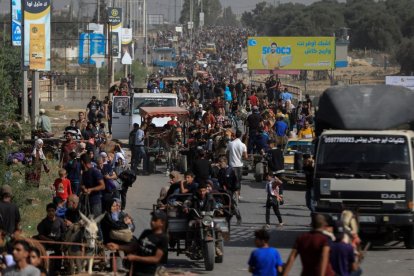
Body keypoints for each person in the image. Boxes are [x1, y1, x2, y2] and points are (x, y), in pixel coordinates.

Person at [106, 211, 168, 276]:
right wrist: (118, 247)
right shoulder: (146, 233)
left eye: (155, 220)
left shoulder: (163, 238)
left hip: (146, 273)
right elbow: (135, 247)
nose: (152, 222)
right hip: (134, 270)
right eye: (152, 219)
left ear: (162, 223)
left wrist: (135, 258)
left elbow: (155, 259)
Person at [217, 156, 242, 225]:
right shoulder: (220, 170)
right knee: (225, 205)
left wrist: (235, 189)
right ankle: (227, 219)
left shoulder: (231, 170)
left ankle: (238, 218)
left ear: (225, 162)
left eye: (221, 162)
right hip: (223, 191)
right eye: (219, 162)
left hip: (231, 190)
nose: (219, 164)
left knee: (233, 205)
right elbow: (219, 180)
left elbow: (236, 180)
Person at [226, 130, 248, 202]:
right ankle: (238, 195)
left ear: (235, 135)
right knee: (238, 180)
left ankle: (231, 194)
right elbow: (245, 157)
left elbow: (227, 153)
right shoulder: (243, 145)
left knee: (231, 180)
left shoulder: (231, 144)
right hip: (239, 165)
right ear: (241, 136)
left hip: (232, 164)